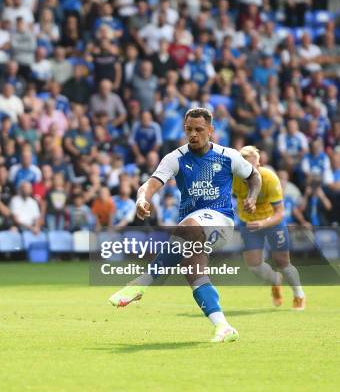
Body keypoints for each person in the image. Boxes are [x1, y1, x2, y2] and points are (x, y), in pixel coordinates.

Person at [108, 108, 262, 343]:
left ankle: (142, 282)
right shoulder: (175, 158)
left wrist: (252, 197)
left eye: (199, 130)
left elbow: (254, 177)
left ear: (211, 130)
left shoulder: (228, 156)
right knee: (194, 274)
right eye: (189, 129)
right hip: (190, 228)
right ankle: (223, 326)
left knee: (189, 224)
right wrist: (141, 199)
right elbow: (149, 184)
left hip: (220, 221)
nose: (193, 134)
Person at [233, 146, 306, 310]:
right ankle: (275, 280)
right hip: (248, 223)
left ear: (259, 165)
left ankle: (299, 294)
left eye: (255, 166)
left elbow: (280, 213)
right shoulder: (234, 178)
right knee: (253, 265)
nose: (252, 170)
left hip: (272, 222)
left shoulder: (270, 179)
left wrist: (263, 223)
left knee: (283, 262)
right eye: (246, 167)